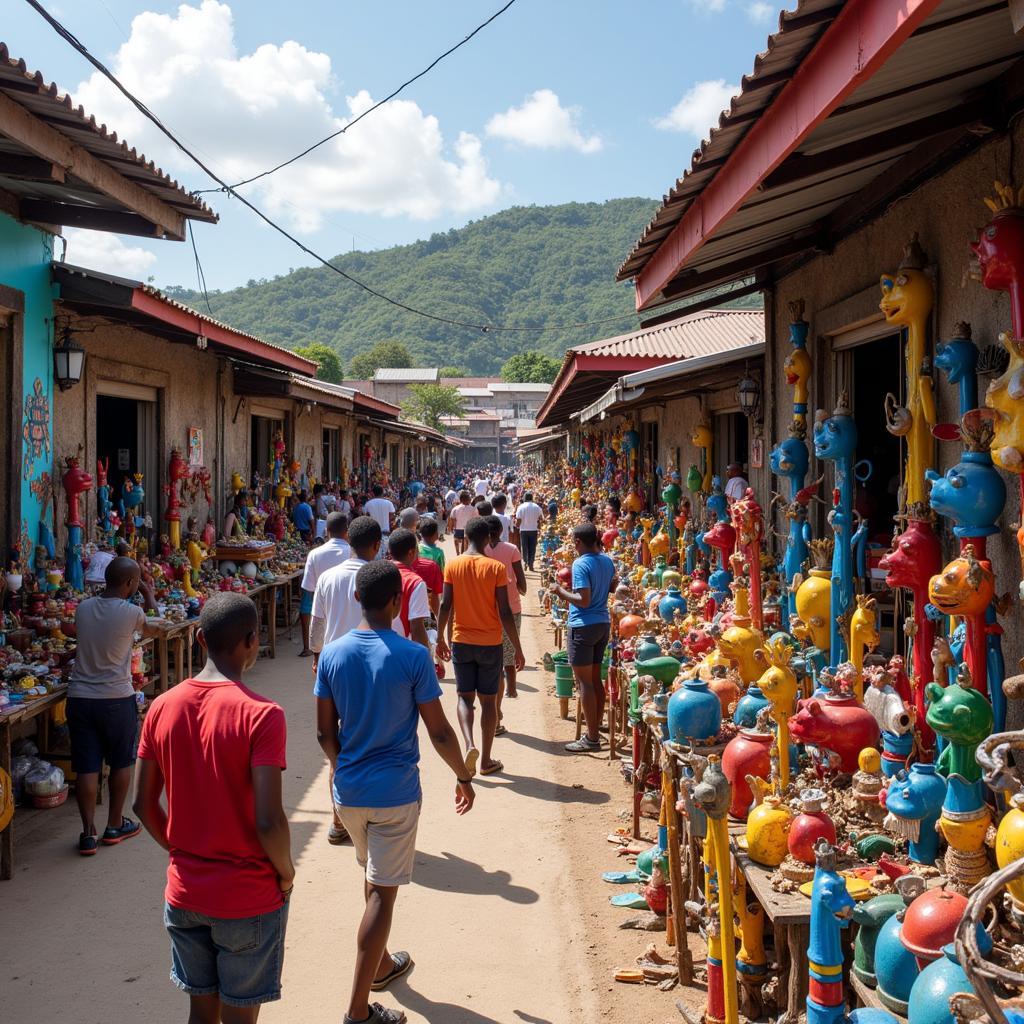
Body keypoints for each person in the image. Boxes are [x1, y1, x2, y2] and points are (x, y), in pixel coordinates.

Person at [315, 561, 474, 1024]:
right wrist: (462, 776)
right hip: (395, 795)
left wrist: (344, 768)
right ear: (397, 602)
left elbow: (326, 733)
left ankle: (382, 964)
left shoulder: (332, 655)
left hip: (349, 794)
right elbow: (440, 732)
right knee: (383, 895)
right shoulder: (412, 656)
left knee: (372, 879)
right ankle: (357, 1011)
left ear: (356, 601)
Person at [134, 593, 293, 1021]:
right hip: (246, 896)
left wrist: (182, 850)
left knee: (201, 1015)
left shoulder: (161, 707)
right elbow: (269, 820)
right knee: (241, 1016)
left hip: (185, 890)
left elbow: (142, 804)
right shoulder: (262, 715)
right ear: (251, 640)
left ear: (200, 639)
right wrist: (286, 871)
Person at [67, 556, 158, 855]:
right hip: (116, 699)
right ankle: (115, 824)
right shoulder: (131, 612)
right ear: (130, 583)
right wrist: (148, 595)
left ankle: (87, 833)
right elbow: (156, 626)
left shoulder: (82, 608)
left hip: (80, 698)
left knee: (87, 767)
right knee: (121, 761)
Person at [311, 515, 384, 846]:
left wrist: (317, 658)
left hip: (333, 667)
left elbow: (316, 626)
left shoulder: (327, 578)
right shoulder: (379, 576)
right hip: (373, 668)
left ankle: (339, 819)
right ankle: (372, 818)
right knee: (372, 741)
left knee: (335, 747)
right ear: (376, 545)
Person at [437, 516, 525, 777]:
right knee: (488, 702)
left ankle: (469, 744)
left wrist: (441, 638)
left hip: (461, 641)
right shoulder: (495, 568)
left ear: (467, 538)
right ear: (488, 538)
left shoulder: (453, 565)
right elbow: (505, 610)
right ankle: (486, 760)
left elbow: (445, 605)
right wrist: (517, 648)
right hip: (490, 643)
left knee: (465, 697)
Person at [549, 523, 616, 753]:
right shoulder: (606, 561)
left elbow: (583, 599)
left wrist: (560, 591)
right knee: (595, 680)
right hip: (602, 624)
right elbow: (611, 587)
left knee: (584, 682)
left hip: (583, 625)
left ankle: (592, 738)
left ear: (578, 541)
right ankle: (594, 728)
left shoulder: (580, 563)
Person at [485, 515, 527, 718]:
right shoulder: (511, 549)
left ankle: (497, 701)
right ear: (501, 531)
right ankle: (511, 688)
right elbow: (522, 580)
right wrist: (519, 587)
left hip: (487, 608)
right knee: (510, 648)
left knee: (493, 655)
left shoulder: (481, 551)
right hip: (511, 606)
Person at [298, 513, 351, 658]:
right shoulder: (353, 553)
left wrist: (311, 646)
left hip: (323, 614)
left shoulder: (315, 554)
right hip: (349, 616)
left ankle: (307, 649)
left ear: (327, 530)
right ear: (347, 531)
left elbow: (308, 592)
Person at [387, 530, 431, 650]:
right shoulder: (415, 582)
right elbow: (416, 627)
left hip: (375, 647)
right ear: (412, 552)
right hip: (402, 651)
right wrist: (426, 660)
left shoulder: (378, 572)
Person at [514, 491, 544, 572]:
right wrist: (538, 526)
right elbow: (541, 519)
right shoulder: (537, 507)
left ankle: (525, 562)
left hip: (524, 530)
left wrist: (516, 525)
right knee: (532, 547)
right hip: (534, 530)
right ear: (532, 498)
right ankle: (531, 563)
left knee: (524, 547)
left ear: (524, 498)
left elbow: (518, 520)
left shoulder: (521, 507)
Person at [364, 484, 396, 554]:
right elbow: (392, 517)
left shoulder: (368, 504)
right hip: (385, 534)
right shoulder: (388, 503)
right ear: (382, 492)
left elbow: (366, 518)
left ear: (373, 493)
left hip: (373, 535)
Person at [448, 490, 475, 555]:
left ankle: (457, 553)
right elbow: (475, 520)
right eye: (469, 498)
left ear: (461, 500)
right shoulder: (473, 509)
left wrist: (450, 529)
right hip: (468, 529)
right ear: (468, 499)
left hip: (458, 529)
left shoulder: (455, 509)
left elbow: (451, 519)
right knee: (467, 543)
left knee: (456, 540)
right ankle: (465, 554)